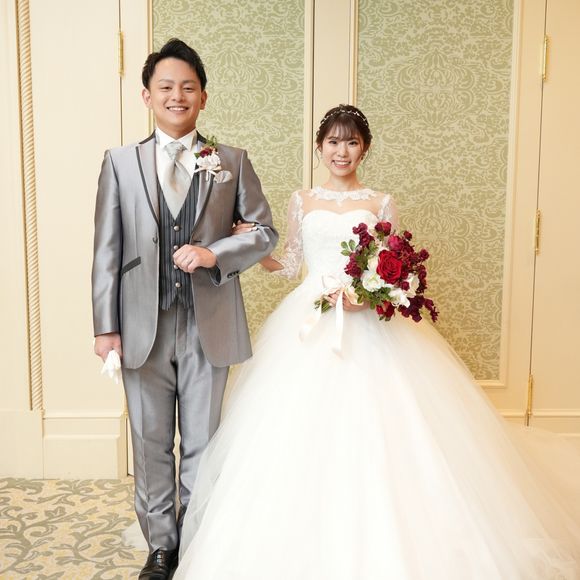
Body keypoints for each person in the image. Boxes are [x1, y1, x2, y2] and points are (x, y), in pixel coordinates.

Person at [174, 105, 580, 579]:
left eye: (351, 142)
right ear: (319, 147)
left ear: (364, 148)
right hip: (312, 315)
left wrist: (368, 295)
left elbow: (393, 267)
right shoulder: (302, 200)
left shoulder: (381, 202)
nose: (341, 151)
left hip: (366, 319)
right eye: (333, 142)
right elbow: (291, 266)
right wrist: (248, 244)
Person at [91, 38, 277, 580]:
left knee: (202, 441)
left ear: (203, 97)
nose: (178, 96)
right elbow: (106, 249)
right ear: (147, 95)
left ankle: (196, 542)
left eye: (188, 87)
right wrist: (105, 327)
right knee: (150, 442)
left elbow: (264, 232)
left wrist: (215, 252)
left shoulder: (231, 161)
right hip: (140, 324)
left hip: (207, 322)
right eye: (166, 87)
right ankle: (161, 549)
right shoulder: (120, 163)